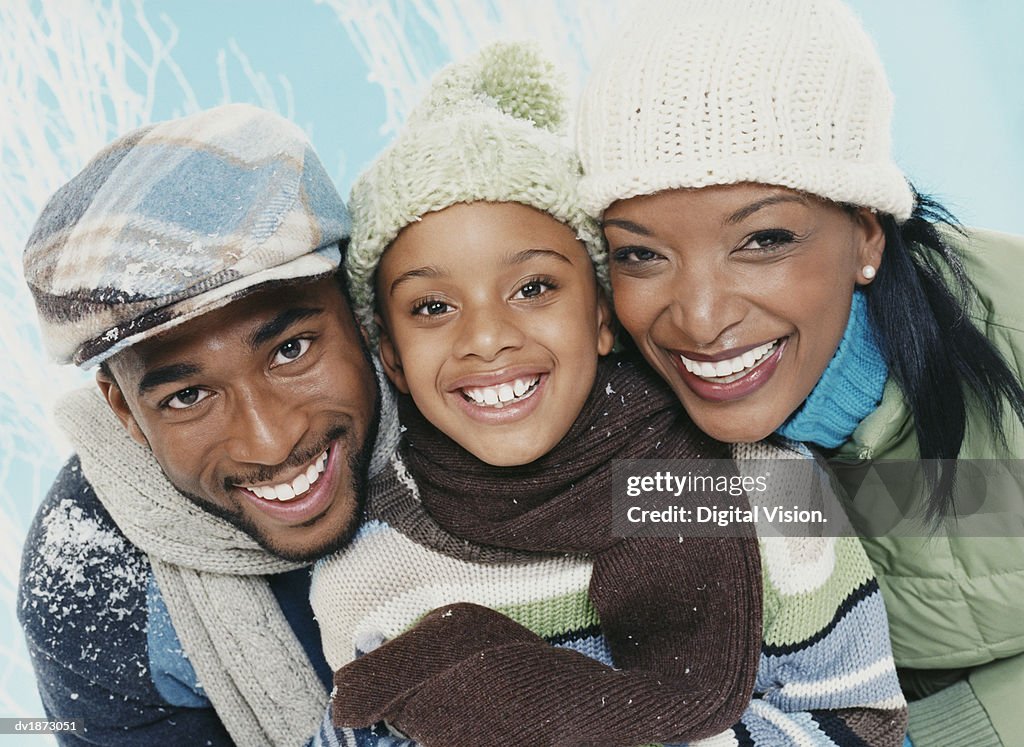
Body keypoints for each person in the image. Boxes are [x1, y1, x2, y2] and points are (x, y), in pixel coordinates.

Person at [311, 42, 907, 747]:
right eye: (432, 308)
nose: (487, 338)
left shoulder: (762, 478)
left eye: (534, 288)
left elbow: (865, 720)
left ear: (600, 315)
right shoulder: (367, 562)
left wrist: (542, 709)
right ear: (392, 358)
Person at [575, 1, 1024, 745]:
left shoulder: (1005, 331)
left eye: (764, 238)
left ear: (868, 232)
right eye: (641, 253)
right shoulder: (638, 453)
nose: (700, 317)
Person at [18, 103, 399, 746]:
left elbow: (633, 494)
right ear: (123, 411)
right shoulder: (87, 589)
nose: (271, 441)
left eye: (291, 350)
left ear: (359, 313)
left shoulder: (481, 388)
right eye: (189, 395)